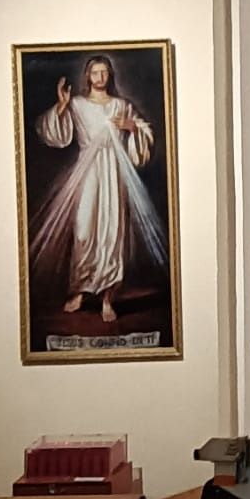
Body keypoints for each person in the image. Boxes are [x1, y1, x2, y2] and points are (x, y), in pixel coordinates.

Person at [31, 54, 165, 326]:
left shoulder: (121, 105)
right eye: (95, 73)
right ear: (88, 76)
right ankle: (81, 290)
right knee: (83, 229)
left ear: (110, 76)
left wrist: (132, 129)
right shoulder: (78, 105)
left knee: (112, 230)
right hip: (88, 171)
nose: (100, 77)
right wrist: (61, 106)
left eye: (104, 72)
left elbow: (145, 134)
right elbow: (53, 133)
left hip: (114, 173)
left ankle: (107, 296)